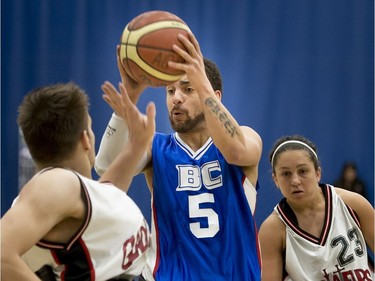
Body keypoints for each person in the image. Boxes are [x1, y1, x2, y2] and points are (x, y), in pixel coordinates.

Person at [95, 31, 263, 280]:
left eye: (187, 89)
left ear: (213, 96)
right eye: (170, 91)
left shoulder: (245, 137)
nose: (176, 98)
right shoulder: (156, 147)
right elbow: (105, 166)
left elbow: (236, 150)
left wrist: (202, 82)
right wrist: (128, 98)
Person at [1, 82, 156, 281]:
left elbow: (106, 197)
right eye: (90, 128)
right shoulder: (55, 183)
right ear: (86, 139)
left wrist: (137, 144)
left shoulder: (68, 189)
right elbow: (1, 255)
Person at [259, 135, 374, 281]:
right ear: (276, 179)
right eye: (286, 174)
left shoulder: (353, 203)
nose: (295, 181)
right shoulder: (272, 229)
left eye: (303, 171)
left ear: (318, 173)